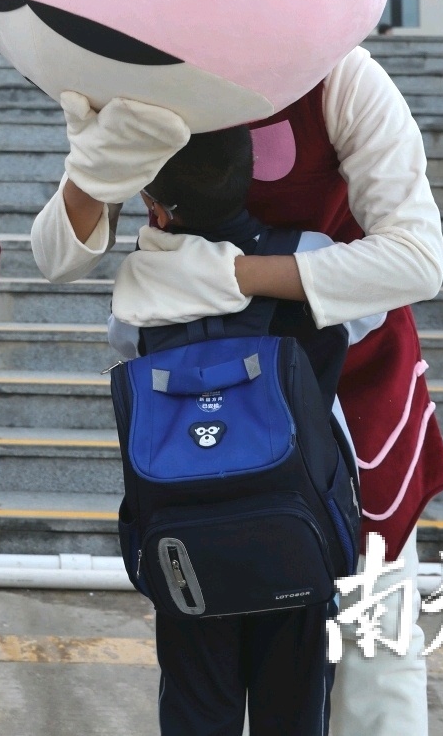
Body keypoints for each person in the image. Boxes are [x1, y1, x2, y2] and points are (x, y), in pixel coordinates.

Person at [33, 46, 443, 735]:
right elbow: (56, 254)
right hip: (208, 435)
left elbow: (415, 257)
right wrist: (96, 164)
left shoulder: (337, 74)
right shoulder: (136, 80)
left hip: (345, 395)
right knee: (224, 635)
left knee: (374, 646)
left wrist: (229, 276)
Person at [110, 126, 383, 736]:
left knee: (196, 707)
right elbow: (373, 310)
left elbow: (128, 347)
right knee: (296, 710)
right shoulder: (310, 254)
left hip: (187, 537)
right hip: (300, 531)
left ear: (155, 207)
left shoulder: (140, 282)